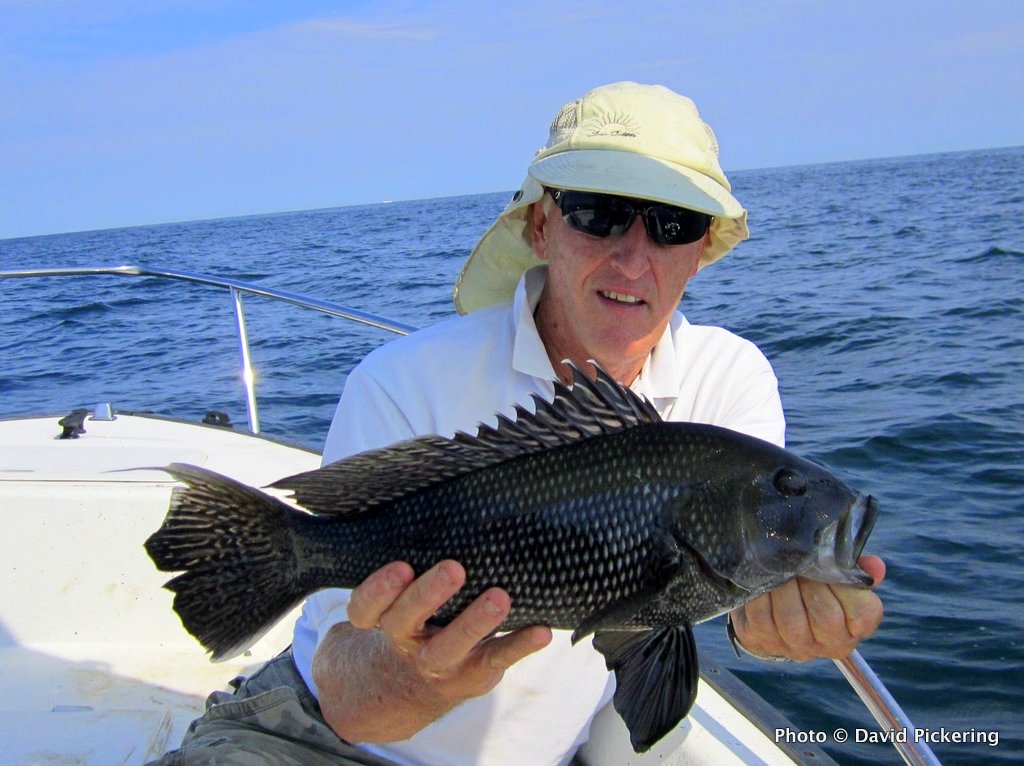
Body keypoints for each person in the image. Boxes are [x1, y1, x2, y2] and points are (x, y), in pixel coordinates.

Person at [151, 81, 885, 766]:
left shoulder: (730, 380)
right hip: (326, 742)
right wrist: (413, 674)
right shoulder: (402, 383)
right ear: (541, 225)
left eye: (673, 224)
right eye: (598, 212)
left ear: (700, 252)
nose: (634, 257)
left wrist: (773, 624)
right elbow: (347, 703)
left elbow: (719, 606)